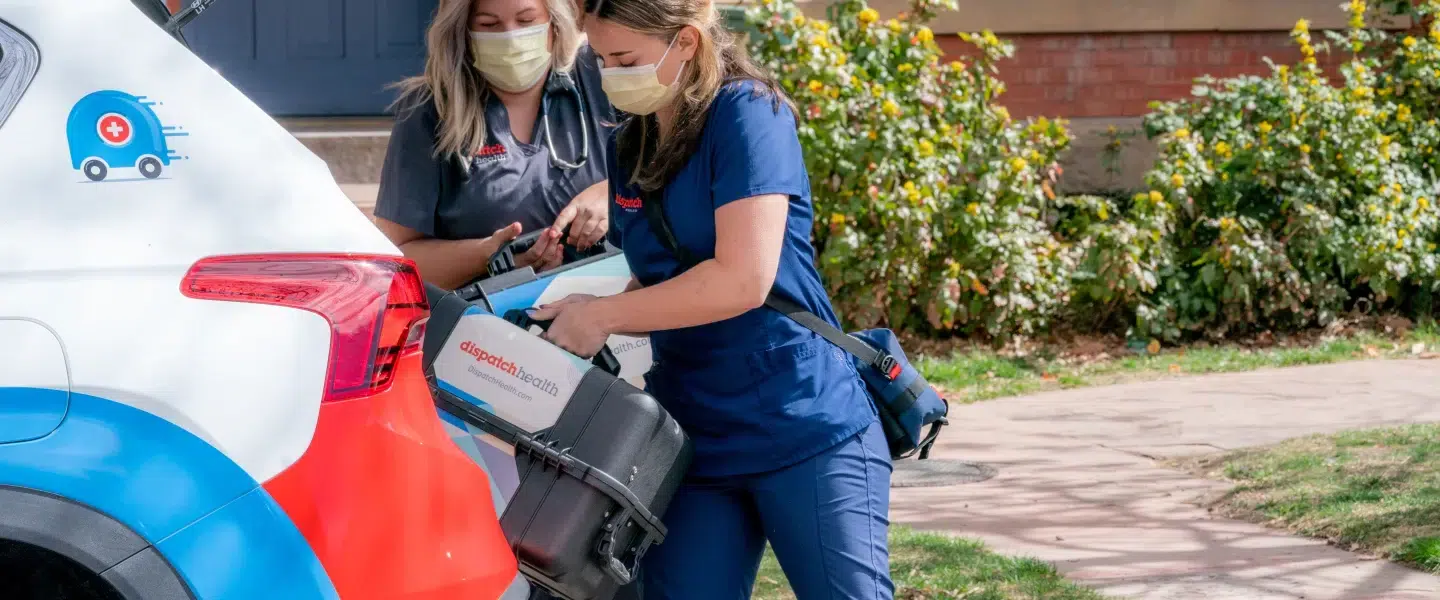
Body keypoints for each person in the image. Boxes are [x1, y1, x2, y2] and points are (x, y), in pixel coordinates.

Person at [529, 0, 895, 598]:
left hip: (803, 423)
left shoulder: (749, 114)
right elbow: (664, 278)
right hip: (692, 438)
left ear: (688, 43)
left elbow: (741, 280)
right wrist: (575, 316)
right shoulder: (633, 142)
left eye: (625, 58)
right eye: (601, 59)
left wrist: (604, 316)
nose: (610, 75)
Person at [373, 0, 616, 290]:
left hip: (606, 306)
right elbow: (397, 259)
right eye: (489, 25)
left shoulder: (601, 72)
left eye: (526, 21)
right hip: (488, 322)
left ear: (554, 23)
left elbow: (666, 173)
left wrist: (612, 192)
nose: (511, 36)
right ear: (464, 31)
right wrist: (489, 255)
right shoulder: (429, 109)